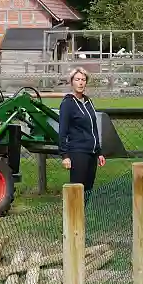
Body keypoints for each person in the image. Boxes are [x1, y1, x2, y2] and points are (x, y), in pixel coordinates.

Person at [59, 67, 106, 198]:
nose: (80, 82)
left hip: (91, 153)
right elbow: (62, 131)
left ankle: (82, 217)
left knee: (88, 190)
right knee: (77, 190)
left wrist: (99, 152)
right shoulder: (67, 103)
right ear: (72, 82)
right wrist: (65, 155)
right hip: (78, 152)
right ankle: (72, 217)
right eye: (77, 79)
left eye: (83, 80)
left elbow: (93, 127)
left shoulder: (88, 101)